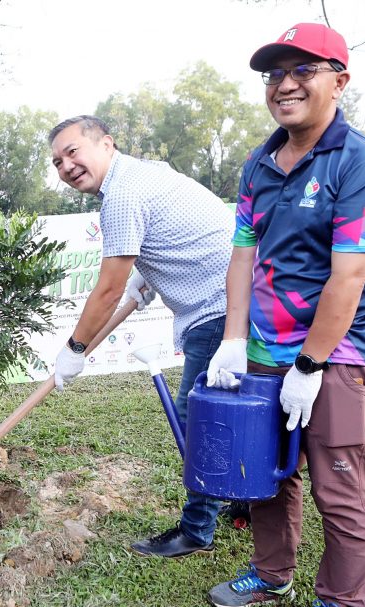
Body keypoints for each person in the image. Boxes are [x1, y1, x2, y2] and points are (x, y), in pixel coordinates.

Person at [204, 23, 365, 607]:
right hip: (265, 342)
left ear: (339, 81)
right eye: (274, 74)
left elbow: (350, 277)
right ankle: (271, 575)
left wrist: (311, 364)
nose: (285, 84)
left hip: (341, 347)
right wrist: (234, 340)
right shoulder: (258, 163)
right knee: (262, 469)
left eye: (303, 70)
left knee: (337, 476)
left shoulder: (364, 163)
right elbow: (242, 255)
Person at [49, 115, 239, 558]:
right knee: (223, 417)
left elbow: (109, 287)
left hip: (218, 310)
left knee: (201, 421)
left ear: (106, 143)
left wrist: (75, 349)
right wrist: (148, 277)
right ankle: (240, 498)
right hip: (231, 302)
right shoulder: (147, 173)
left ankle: (197, 530)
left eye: (73, 151)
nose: (66, 166)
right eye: (57, 162)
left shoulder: (122, 194)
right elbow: (175, 232)